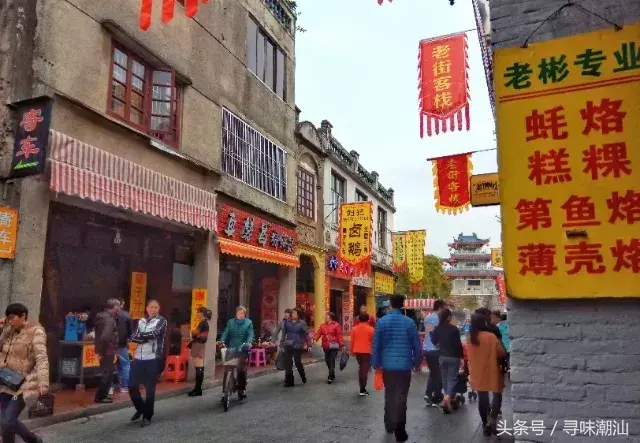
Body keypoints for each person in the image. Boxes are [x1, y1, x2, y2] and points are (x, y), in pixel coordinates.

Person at [371, 294, 422, 443]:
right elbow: (417, 346)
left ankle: (389, 423)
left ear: (390, 305)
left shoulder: (381, 322)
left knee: (390, 395)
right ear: (403, 305)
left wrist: (376, 364)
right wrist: (416, 363)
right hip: (404, 367)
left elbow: (376, 346)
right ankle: (400, 429)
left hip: (387, 366)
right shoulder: (410, 323)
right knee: (401, 397)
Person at [0, 303, 48, 443]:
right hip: (5, 381)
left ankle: (33, 440)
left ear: (23, 316)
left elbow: (42, 357)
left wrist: (43, 382)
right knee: (4, 424)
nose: (9, 321)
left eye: (12, 317)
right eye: (7, 318)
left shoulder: (36, 331)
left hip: (23, 384)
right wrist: (2, 330)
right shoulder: (9, 330)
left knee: (8, 421)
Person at [129, 299, 167, 427]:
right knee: (132, 386)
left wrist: (141, 337)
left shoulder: (161, 321)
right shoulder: (141, 321)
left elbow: (155, 334)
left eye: (156, 307)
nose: (153, 309)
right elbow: (133, 336)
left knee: (149, 389)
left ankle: (147, 416)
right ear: (147, 308)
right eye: (151, 307)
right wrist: (144, 337)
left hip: (152, 359)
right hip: (138, 359)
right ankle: (141, 408)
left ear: (159, 309)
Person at [466, 314, 506, 436]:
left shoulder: (470, 338)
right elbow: (501, 353)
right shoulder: (491, 336)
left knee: (482, 399)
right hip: (492, 370)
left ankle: (485, 423)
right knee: (497, 394)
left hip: (477, 372)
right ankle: (493, 419)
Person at [431, 308, 464, 414]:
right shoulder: (454, 329)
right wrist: (461, 357)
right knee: (452, 379)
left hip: (442, 357)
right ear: (449, 317)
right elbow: (458, 345)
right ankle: (447, 398)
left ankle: (447, 398)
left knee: (445, 379)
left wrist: (432, 333)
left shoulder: (437, 329)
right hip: (454, 357)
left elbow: (434, 342)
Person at [219, 306, 254, 399]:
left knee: (240, 369)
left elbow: (250, 334)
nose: (241, 315)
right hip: (232, 348)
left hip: (243, 349)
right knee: (227, 370)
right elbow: (226, 332)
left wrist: (249, 342)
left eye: (243, 313)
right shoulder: (230, 322)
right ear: (236, 313)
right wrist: (222, 340)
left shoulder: (248, 323)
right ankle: (224, 392)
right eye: (239, 313)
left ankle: (242, 389)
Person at [94, 298, 120, 404]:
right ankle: (101, 396)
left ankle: (102, 395)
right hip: (108, 350)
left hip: (101, 349)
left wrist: (99, 350)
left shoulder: (101, 317)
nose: (119, 309)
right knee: (107, 374)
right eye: (118, 307)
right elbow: (105, 336)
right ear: (114, 307)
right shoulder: (110, 320)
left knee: (106, 372)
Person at [280, 308, 312, 387]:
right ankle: (289, 381)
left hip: (297, 345)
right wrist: (282, 344)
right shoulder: (287, 322)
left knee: (297, 362)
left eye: (294, 313)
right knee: (288, 363)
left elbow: (306, 334)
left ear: (298, 315)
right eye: (292, 313)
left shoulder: (302, 323)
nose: (292, 314)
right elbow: (284, 334)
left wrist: (309, 345)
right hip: (288, 344)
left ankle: (302, 375)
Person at [423, 299, 445, 407]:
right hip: (437, 348)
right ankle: (437, 396)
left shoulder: (427, 318)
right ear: (441, 307)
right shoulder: (440, 319)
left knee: (433, 372)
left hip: (427, 347)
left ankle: (428, 394)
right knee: (438, 374)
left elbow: (430, 332)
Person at [312, 312, 344, 384]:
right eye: (325, 316)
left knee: (331, 360)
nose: (325, 317)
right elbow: (318, 333)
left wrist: (342, 345)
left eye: (326, 316)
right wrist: (314, 339)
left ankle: (330, 376)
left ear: (330, 317)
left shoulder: (336, 325)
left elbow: (339, 336)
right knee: (327, 360)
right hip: (326, 346)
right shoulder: (323, 325)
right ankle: (332, 372)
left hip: (334, 346)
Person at [187, 306, 212, 397]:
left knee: (199, 367)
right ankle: (197, 389)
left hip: (198, 345)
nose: (196, 314)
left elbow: (194, 333)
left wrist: (193, 331)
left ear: (201, 313)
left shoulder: (203, 323)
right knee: (199, 367)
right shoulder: (204, 322)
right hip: (199, 345)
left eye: (198, 312)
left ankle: (198, 389)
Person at [350, 313, 374, 396]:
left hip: (357, 351)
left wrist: (351, 352)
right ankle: (362, 388)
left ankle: (362, 387)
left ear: (359, 319)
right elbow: (374, 342)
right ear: (368, 320)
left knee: (362, 368)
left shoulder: (354, 329)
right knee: (364, 370)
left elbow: (352, 341)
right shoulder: (371, 329)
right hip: (367, 351)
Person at [115, 298, 133, 394]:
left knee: (118, 365)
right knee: (126, 364)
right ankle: (124, 386)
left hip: (110, 344)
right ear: (122, 304)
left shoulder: (110, 314)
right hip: (122, 344)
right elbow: (130, 331)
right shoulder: (126, 315)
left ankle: (119, 384)